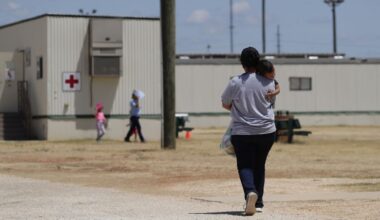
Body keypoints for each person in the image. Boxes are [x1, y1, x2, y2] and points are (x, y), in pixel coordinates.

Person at [221, 47, 276, 215]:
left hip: (242, 131)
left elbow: (225, 103)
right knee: (259, 164)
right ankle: (258, 203)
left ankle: (250, 192)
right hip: (267, 131)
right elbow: (271, 101)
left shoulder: (235, 82)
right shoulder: (269, 81)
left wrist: (235, 106)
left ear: (242, 64)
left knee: (245, 164)